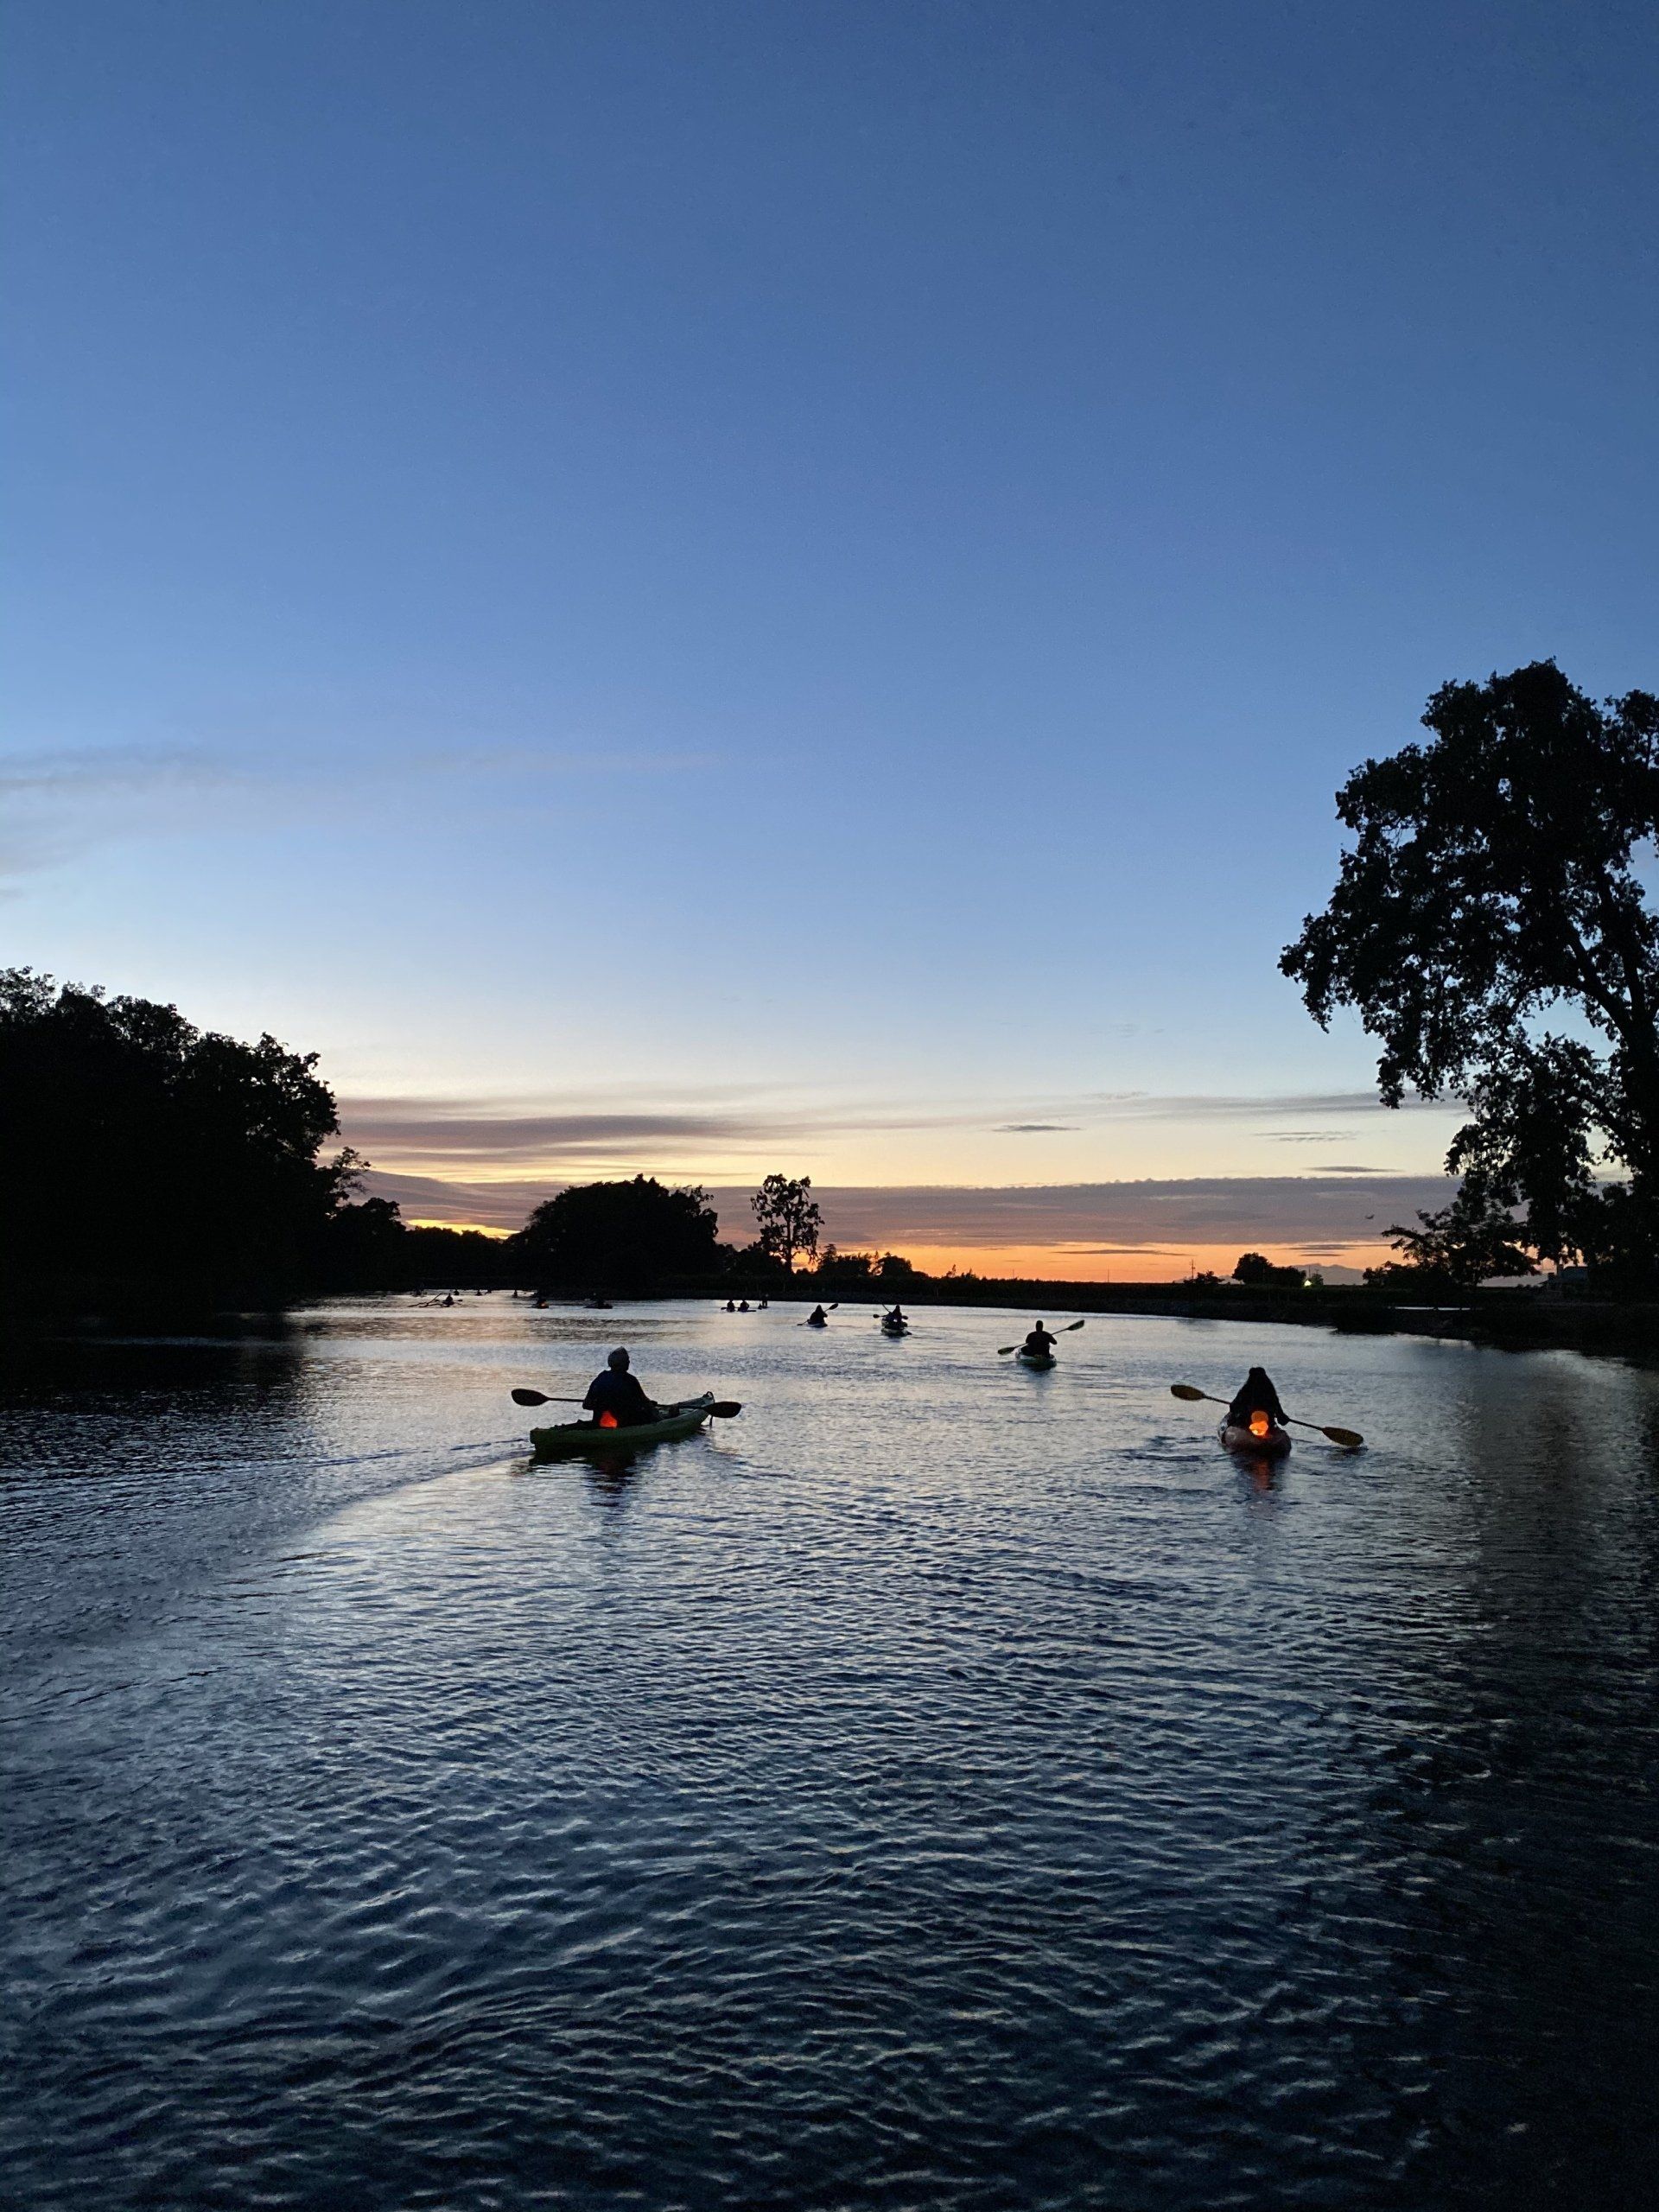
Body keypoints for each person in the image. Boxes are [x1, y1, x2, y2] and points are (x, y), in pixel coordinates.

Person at [582, 1348, 661, 1430]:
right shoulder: (630, 1380)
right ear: (622, 1363)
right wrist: (653, 1410)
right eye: (627, 1360)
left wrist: (601, 1405)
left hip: (599, 1425)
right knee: (649, 1412)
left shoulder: (600, 1377)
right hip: (625, 1425)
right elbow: (645, 1402)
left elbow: (586, 1405)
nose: (629, 1362)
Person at [1227, 1366, 1287, 1430]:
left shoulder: (1246, 1390)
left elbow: (1234, 1406)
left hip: (1247, 1423)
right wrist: (1282, 1417)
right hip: (1267, 1424)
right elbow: (1280, 1416)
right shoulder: (1270, 1392)